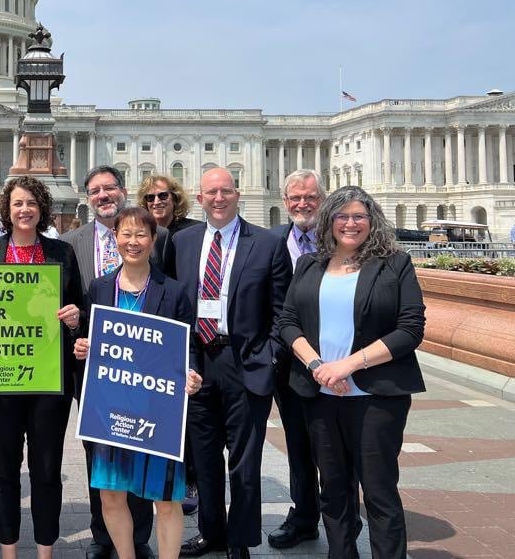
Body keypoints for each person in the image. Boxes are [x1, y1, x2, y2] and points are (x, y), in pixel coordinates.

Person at [278, 186, 426, 559]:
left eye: (359, 216)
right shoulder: (309, 264)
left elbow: (409, 329)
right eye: (342, 216)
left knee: (379, 492)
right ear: (328, 222)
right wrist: (318, 367)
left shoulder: (395, 263)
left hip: (376, 396)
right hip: (322, 396)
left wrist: (348, 364)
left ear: (371, 220)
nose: (350, 223)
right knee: (334, 491)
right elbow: (288, 322)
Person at [0, 175, 84, 559]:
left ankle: (45, 551)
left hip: (48, 381)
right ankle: (9, 550)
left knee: (46, 471)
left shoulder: (61, 253)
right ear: (6, 212)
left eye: (31, 203)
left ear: (41, 209)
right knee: (2, 470)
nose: (24, 210)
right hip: (0, 383)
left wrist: (75, 318)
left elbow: (78, 310)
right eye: (17, 204)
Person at [173, 168, 292, 559]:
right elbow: (176, 307)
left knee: (244, 463)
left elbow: (282, 311)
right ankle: (212, 533)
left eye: (225, 191)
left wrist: (269, 356)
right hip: (197, 363)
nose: (218, 198)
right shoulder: (183, 242)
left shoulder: (267, 242)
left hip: (245, 362)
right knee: (204, 460)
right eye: (211, 192)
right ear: (199, 197)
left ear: (237, 194)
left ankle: (240, 539)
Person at [72, 207, 202, 559]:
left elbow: (186, 346)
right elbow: (89, 338)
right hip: (111, 409)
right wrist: (83, 346)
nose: (133, 241)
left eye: (141, 234)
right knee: (111, 495)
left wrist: (191, 373)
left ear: (153, 240)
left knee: (166, 498)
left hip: (158, 412)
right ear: (115, 239)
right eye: (126, 234)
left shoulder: (173, 291)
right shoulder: (99, 288)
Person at [61, 165, 171, 559]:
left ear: (123, 191)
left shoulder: (162, 238)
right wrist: (78, 334)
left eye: (109, 188)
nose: (103, 195)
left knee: (142, 444)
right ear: (87, 196)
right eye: (95, 190)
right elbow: (74, 304)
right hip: (93, 370)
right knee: (99, 451)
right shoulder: (71, 242)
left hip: (147, 372)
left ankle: (138, 537)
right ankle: (102, 534)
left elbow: (170, 299)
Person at [267, 170, 327, 549]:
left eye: (310, 198)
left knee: (336, 444)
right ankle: (304, 514)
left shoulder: (340, 239)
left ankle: (343, 517)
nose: (302, 204)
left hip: (334, 361)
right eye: (295, 198)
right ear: (285, 200)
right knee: (298, 442)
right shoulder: (271, 240)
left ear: (322, 199)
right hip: (288, 362)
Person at [136, 174, 200, 515]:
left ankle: (189, 478)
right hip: (150, 332)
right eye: (150, 198)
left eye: (163, 196)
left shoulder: (190, 232)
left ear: (175, 198)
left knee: (184, 413)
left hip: (181, 327)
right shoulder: (142, 231)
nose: (157, 202)